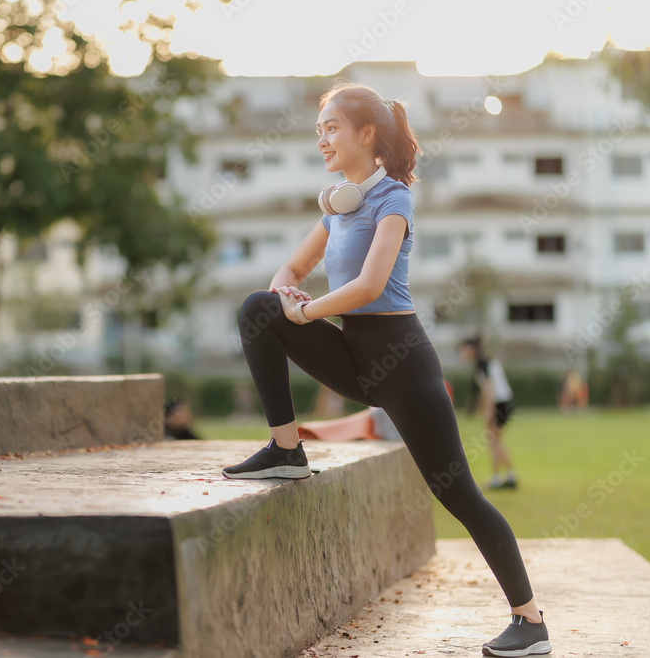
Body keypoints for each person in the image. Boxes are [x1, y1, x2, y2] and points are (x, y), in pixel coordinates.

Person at [220, 81, 551, 657]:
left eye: (332, 128)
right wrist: (285, 295)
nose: (322, 138)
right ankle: (286, 450)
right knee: (257, 308)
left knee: (461, 495)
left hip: (404, 366)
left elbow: (370, 285)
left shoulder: (393, 199)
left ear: (366, 134)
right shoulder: (339, 206)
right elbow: (292, 267)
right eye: (319, 129)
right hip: (356, 359)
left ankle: (529, 622)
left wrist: (306, 313)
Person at [460, 336, 518, 490]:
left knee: (493, 441)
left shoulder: (481, 364)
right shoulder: (485, 362)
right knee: (496, 441)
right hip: (505, 402)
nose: (462, 353)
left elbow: (489, 389)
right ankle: (510, 476)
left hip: (499, 404)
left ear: (471, 349)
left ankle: (496, 478)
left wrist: (489, 412)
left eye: (464, 349)